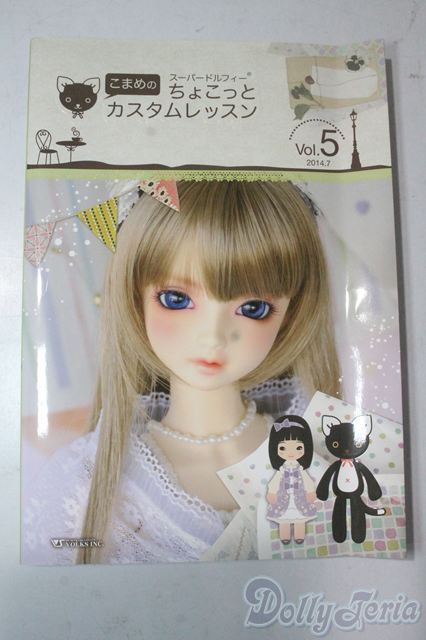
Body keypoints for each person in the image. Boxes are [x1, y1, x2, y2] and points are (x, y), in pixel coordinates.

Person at [23, 180, 340, 565]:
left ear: (292, 312)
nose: (213, 337)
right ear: (134, 297)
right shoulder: (83, 483)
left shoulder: (328, 459)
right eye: (176, 299)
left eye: (253, 308)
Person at [266, 415, 317, 544]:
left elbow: (308, 481)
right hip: (282, 499)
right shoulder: (281, 470)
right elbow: (274, 482)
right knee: (283, 520)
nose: (290, 452)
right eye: (283, 448)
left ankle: (300, 536)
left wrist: (311, 492)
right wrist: (271, 493)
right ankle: (284, 537)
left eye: (298, 448)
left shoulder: (301, 469)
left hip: (300, 498)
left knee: (300, 519)